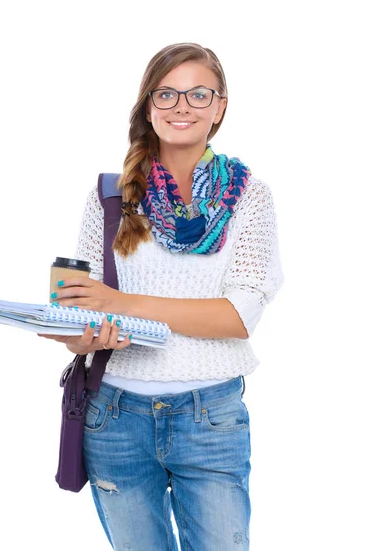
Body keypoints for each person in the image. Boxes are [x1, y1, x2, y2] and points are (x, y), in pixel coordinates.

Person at [39, 42, 284, 550]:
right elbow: (83, 308)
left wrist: (119, 302)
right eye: (167, 94)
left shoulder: (250, 197)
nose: (182, 106)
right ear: (148, 107)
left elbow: (238, 317)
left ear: (220, 107)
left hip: (209, 417)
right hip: (114, 417)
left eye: (199, 94)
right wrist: (79, 338)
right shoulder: (110, 195)